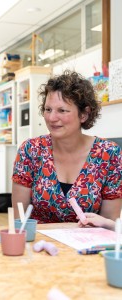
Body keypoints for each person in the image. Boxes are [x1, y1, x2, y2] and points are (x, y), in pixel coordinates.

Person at [12, 70, 122, 225]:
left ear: (84, 114)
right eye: (48, 109)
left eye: (62, 110)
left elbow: (110, 222)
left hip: (87, 244)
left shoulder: (109, 154)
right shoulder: (30, 150)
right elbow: (19, 219)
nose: (51, 118)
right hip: (39, 244)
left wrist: (101, 224)